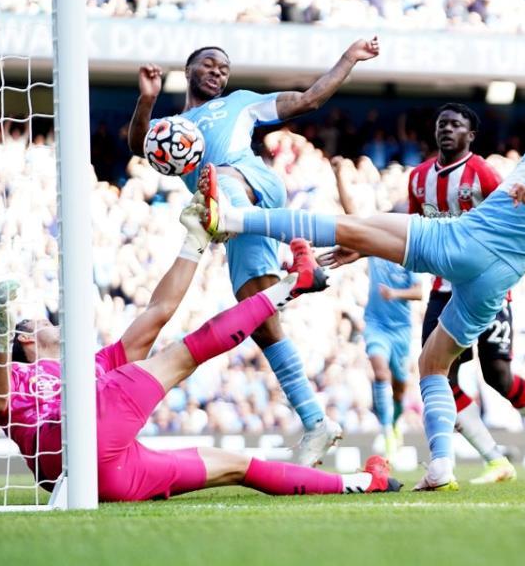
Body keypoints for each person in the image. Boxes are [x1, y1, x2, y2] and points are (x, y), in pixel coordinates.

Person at [198, 78, 525, 490]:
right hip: (499, 277)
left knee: (350, 227)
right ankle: (442, 467)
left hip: (466, 243)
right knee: (434, 364)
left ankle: (234, 220)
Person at [0, 201, 401, 502]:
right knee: (183, 355)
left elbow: (159, 310)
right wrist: (1, 332)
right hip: (68, 443)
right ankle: (292, 286)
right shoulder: (17, 375)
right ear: (26, 340)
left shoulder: (96, 364)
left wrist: (195, 241)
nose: (54, 323)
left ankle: (363, 484)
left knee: (236, 464)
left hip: (112, 476)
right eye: (41, 322)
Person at [126, 37, 380, 466]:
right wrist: (146, 101)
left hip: (249, 183)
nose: (218, 72)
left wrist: (349, 58)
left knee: (217, 179)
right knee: (258, 315)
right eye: (209, 64)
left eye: (224, 68)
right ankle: (317, 422)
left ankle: (307, 240)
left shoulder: (239, 104)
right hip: (226, 212)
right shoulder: (170, 127)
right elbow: (139, 146)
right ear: (189, 70)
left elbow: (308, 100)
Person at [407, 103, 525, 484]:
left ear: (470, 135)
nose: (446, 129)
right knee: (438, 374)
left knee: (498, 376)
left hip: (488, 288)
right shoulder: (417, 178)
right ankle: (493, 459)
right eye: (441, 123)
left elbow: (510, 219)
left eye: (456, 124)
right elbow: (415, 226)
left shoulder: (482, 173)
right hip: (443, 290)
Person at [331, 156, 423, 460]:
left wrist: (395, 293)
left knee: (399, 385)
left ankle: (395, 423)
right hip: (377, 325)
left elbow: (419, 291)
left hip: (401, 328)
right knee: (380, 373)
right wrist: (339, 175)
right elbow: (352, 218)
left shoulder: (411, 255)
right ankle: (386, 432)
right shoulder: (376, 248)